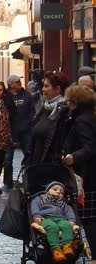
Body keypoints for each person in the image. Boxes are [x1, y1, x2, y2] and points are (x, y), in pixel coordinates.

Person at [62, 85, 96, 259]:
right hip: (89, 174)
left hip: (87, 176)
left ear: (75, 102)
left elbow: (89, 147)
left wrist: (73, 157)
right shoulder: (89, 116)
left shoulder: (82, 120)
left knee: (88, 219)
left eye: (69, 101)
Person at [29, 71, 71, 166]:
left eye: (46, 86)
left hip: (52, 168)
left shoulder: (65, 112)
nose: (43, 89)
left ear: (58, 89)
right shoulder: (46, 108)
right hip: (37, 166)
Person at [30, 181, 78, 263]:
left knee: (67, 226)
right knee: (52, 227)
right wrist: (36, 216)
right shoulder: (40, 198)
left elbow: (69, 211)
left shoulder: (63, 203)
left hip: (60, 219)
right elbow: (35, 207)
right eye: (55, 189)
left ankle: (67, 246)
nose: (58, 192)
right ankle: (56, 250)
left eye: (61, 192)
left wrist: (71, 220)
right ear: (47, 190)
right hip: (45, 218)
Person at [3, 75, 34, 189]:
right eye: (17, 82)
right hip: (9, 131)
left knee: (28, 155)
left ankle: (29, 180)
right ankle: (7, 182)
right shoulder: (5, 96)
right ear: (11, 84)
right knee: (7, 158)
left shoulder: (26, 95)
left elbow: (32, 112)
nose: (20, 83)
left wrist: (29, 125)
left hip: (25, 130)